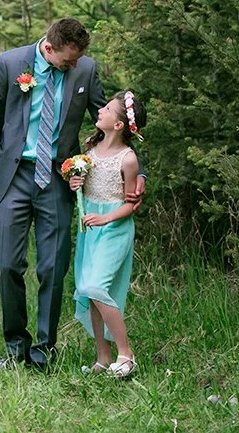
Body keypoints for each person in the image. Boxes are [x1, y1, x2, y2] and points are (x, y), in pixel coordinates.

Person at [0, 17, 145, 371]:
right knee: (9, 263)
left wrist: (135, 171)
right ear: (49, 48)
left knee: (54, 267)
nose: (74, 66)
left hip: (58, 179)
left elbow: (112, 124)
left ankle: (43, 350)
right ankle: (14, 347)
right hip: (12, 178)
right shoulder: (9, 63)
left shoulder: (85, 69)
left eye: (78, 59)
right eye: (68, 60)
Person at [70, 91, 146, 378]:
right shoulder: (89, 153)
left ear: (118, 125)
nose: (100, 110)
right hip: (90, 228)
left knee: (96, 287)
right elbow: (85, 188)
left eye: (107, 109)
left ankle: (126, 354)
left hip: (113, 228)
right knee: (88, 290)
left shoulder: (127, 159)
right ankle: (103, 356)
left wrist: (106, 218)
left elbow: (130, 204)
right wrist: (75, 184)